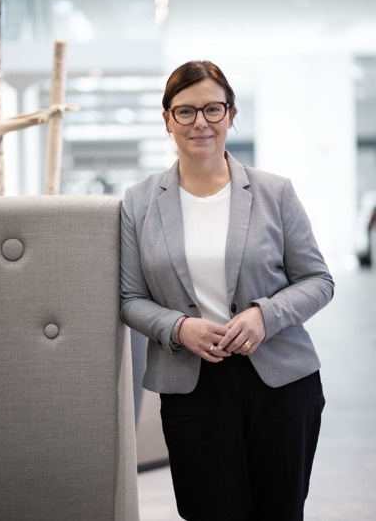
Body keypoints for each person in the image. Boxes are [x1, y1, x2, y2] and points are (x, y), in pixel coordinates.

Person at [120, 60, 334, 521]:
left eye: (213, 109)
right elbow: (130, 299)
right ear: (166, 120)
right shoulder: (138, 202)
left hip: (280, 380)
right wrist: (178, 327)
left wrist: (264, 316)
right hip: (191, 384)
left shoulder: (275, 192)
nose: (200, 122)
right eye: (186, 111)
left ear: (232, 115)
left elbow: (319, 280)